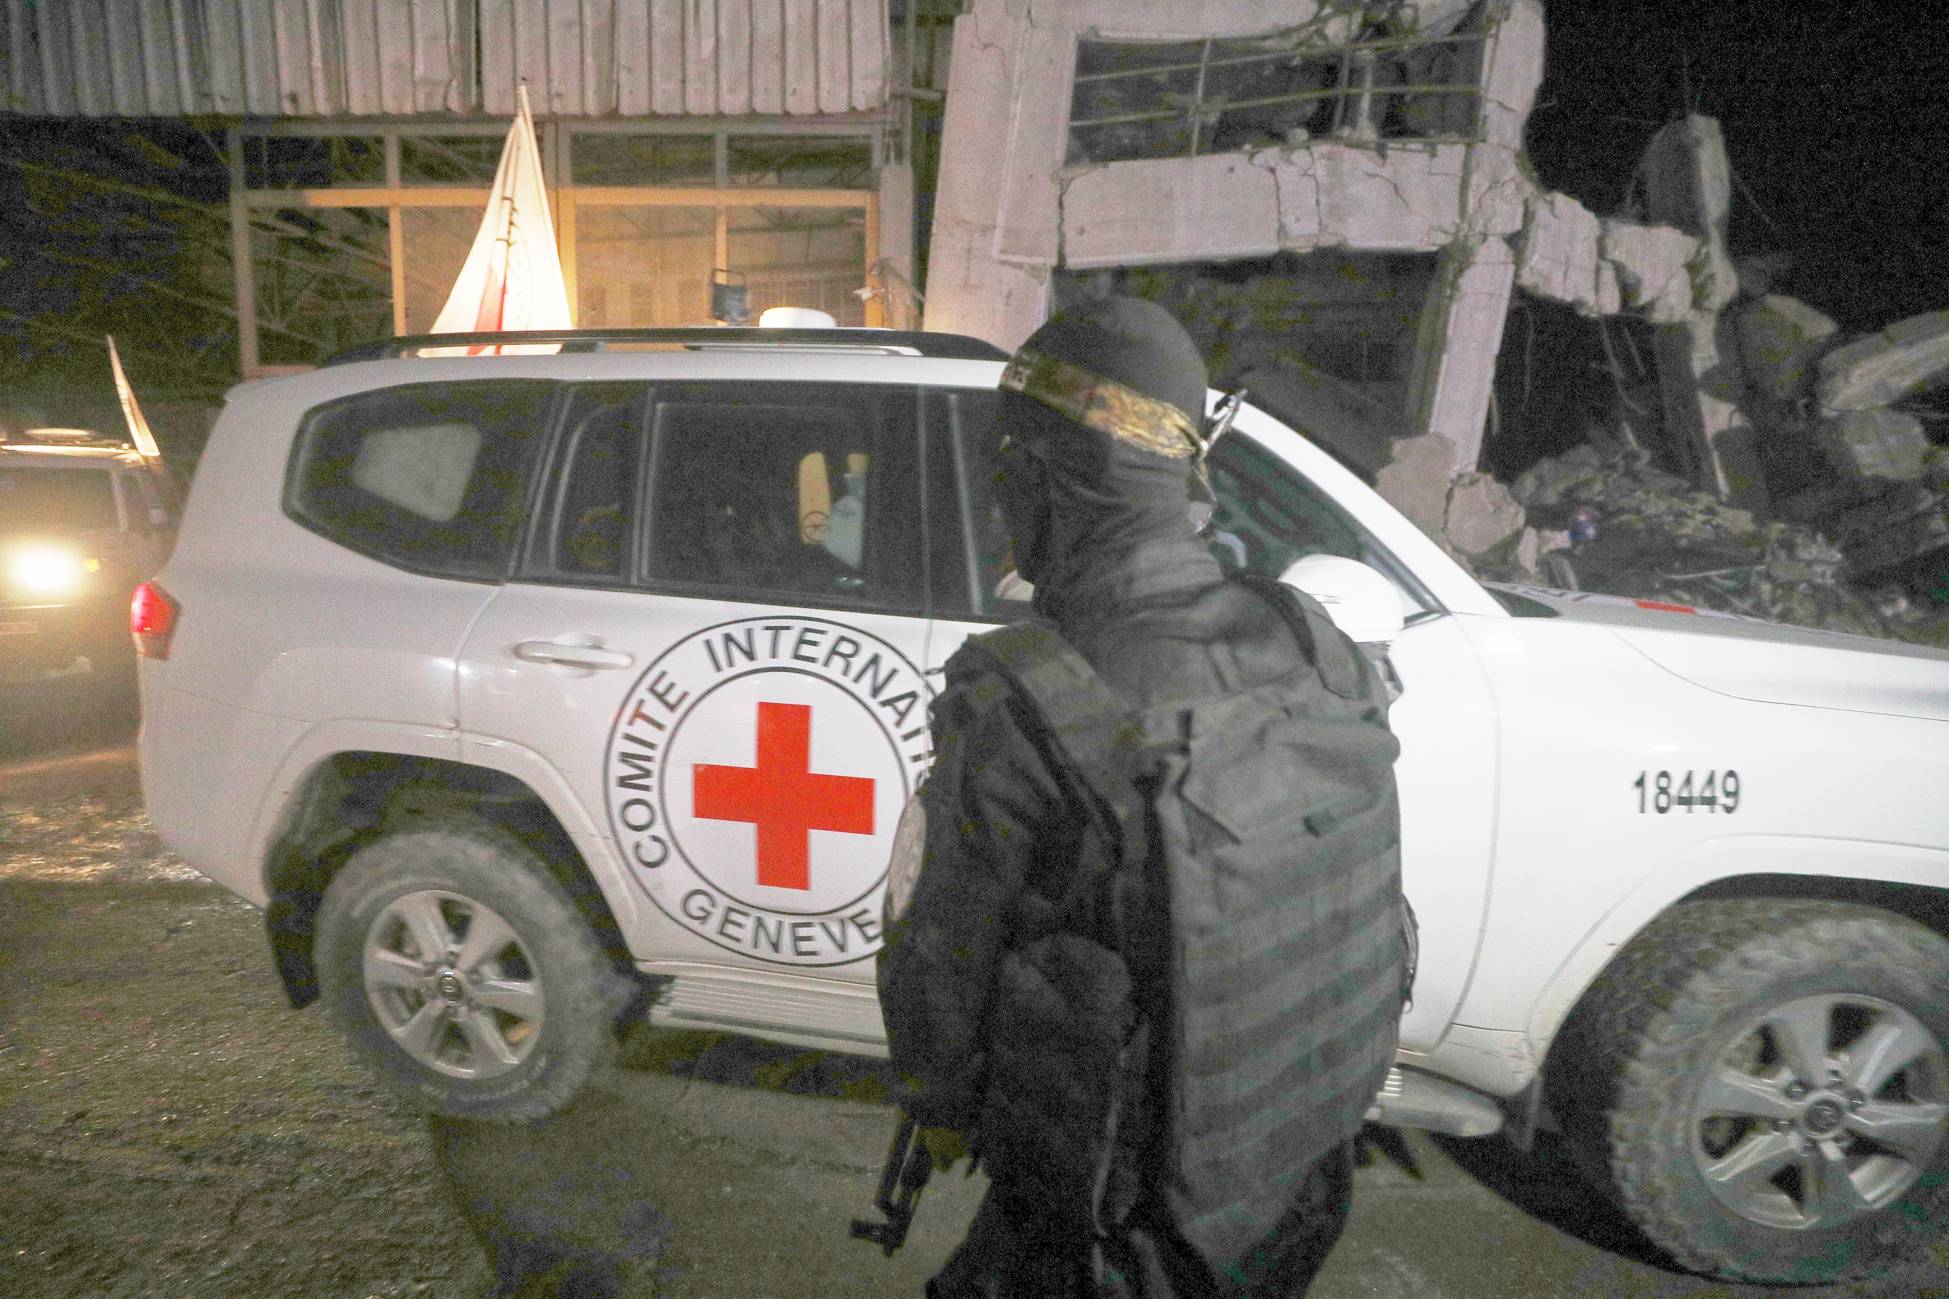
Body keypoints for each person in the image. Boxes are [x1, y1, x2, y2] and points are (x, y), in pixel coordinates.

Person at [876, 296, 1407, 1297]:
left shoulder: (1027, 700)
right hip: (1291, 1184)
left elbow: (937, 980)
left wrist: (938, 1104)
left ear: (1041, 478)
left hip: (1125, 1233)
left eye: (1006, 470)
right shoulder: (1311, 640)